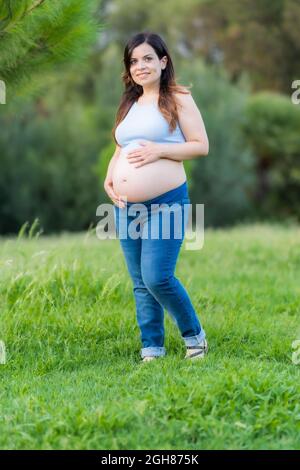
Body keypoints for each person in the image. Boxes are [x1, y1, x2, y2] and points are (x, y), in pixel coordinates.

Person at [104, 31, 209, 363]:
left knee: (157, 276)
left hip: (167, 202)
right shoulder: (130, 103)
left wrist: (158, 152)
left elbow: (201, 146)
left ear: (163, 62)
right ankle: (152, 348)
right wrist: (111, 175)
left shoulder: (178, 97)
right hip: (126, 206)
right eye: (134, 61)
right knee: (139, 281)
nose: (140, 66)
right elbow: (122, 145)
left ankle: (195, 337)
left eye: (148, 58)